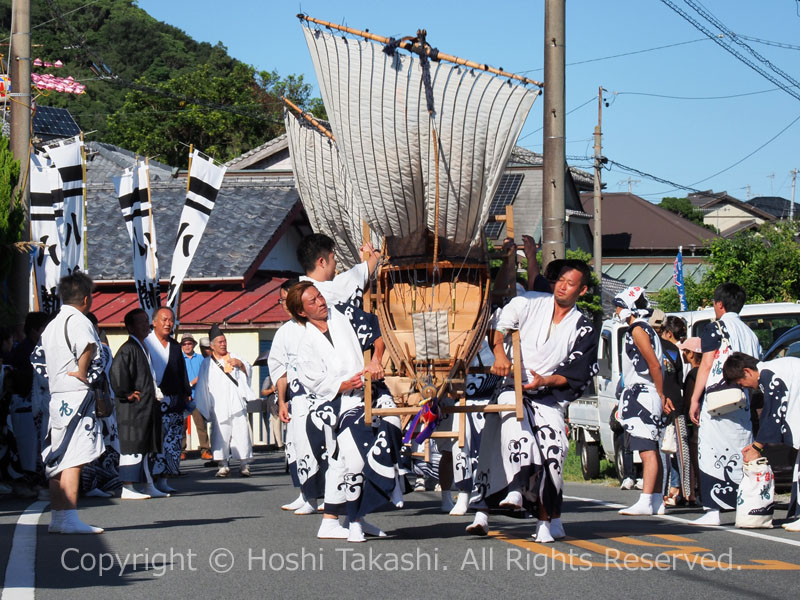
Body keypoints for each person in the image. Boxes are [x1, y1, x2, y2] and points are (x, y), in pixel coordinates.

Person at [467, 260, 598, 542]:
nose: (562, 286)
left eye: (570, 283)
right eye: (560, 280)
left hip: (546, 396)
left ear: (582, 290)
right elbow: (501, 325)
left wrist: (545, 381)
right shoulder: (531, 302)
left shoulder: (583, 327)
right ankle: (498, 501)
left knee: (554, 452)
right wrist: (500, 354)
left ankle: (547, 522)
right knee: (508, 436)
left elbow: (577, 371)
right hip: (510, 386)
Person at [287, 281, 403, 543]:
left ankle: (348, 513)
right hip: (340, 404)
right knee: (354, 456)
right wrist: (341, 385)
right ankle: (355, 520)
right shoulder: (305, 344)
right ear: (302, 312)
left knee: (392, 419)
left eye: (319, 296)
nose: (320, 302)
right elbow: (313, 382)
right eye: (313, 301)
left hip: (372, 389)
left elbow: (377, 330)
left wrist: (375, 359)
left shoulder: (343, 314)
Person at [37, 272, 106, 533]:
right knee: (74, 457)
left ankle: (59, 518)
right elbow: (88, 345)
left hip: (56, 394)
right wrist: (82, 369)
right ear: (87, 299)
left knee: (58, 457)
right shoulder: (79, 320)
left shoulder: (52, 324)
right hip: (75, 393)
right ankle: (69, 517)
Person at [689, 283, 761, 526]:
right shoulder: (750, 332)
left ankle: (713, 510)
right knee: (740, 447)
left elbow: (706, 365)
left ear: (719, 304)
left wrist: (694, 398)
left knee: (711, 451)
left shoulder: (715, 328)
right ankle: (745, 503)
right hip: (742, 401)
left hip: (718, 401)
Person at [723, 352, 800, 531]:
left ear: (748, 372)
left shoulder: (769, 375)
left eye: (742, 383)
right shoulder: (779, 367)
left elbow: (773, 413)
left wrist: (757, 446)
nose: (747, 387)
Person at [614, 288, 671, 517]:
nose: (616, 310)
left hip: (643, 393)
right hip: (648, 392)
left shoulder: (638, 329)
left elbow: (654, 365)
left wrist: (661, 393)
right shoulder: (646, 328)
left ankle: (646, 499)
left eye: (618, 305)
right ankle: (656, 499)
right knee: (651, 448)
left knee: (646, 450)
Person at [268, 279, 319, 514]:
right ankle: (305, 494)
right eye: (281, 300)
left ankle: (329, 496)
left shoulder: (319, 325)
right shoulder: (284, 332)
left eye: (286, 299)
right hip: (297, 397)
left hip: (322, 395)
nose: (284, 305)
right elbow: (279, 369)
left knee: (324, 446)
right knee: (298, 445)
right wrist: (283, 400)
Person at [110, 308, 164, 500]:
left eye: (146, 320)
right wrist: (127, 393)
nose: (145, 324)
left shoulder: (142, 347)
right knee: (132, 447)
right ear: (130, 327)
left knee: (146, 446)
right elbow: (116, 373)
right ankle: (127, 486)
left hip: (146, 406)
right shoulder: (128, 349)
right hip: (133, 409)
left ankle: (148, 483)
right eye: (141, 322)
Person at [195, 324, 256, 477]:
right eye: (219, 342)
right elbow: (202, 385)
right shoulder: (207, 363)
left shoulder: (235, 357)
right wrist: (205, 405)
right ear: (212, 346)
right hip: (219, 404)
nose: (223, 344)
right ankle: (222, 464)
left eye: (224, 341)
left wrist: (241, 365)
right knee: (220, 433)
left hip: (236, 402)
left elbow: (248, 371)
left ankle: (244, 464)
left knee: (241, 432)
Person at [145, 307, 192, 493]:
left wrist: (186, 393)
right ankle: (149, 480)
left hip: (174, 401)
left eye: (171, 320)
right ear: (154, 322)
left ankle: (164, 479)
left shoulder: (174, 345)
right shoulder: (146, 344)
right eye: (164, 319)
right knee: (154, 442)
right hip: (153, 402)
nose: (168, 323)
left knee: (171, 443)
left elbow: (182, 372)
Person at [79, 313, 120, 498]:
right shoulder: (98, 350)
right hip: (94, 402)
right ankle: (91, 484)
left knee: (101, 443)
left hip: (100, 402)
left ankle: (97, 483)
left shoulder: (100, 350)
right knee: (92, 444)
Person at [180, 333, 212, 460]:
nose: (187, 346)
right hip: (183, 396)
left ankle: (205, 449)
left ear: (193, 344)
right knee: (181, 426)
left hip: (197, 396)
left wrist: (192, 383)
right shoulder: (178, 359)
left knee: (201, 425)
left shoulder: (200, 359)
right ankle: (181, 450)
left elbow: (204, 374)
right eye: (184, 344)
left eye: (189, 343)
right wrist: (185, 389)